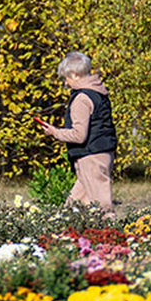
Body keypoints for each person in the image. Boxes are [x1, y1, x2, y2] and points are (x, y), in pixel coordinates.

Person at [38, 51, 117, 213]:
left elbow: (79, 135)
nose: (65, 83)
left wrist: (54, 132)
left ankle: (112, 236)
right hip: (102, 153)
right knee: (74, 207)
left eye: (66, 78)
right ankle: (65, 235)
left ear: (74, 75)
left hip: (91, 157)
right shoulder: (99, 93)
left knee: (102, 208)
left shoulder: (81, 99)